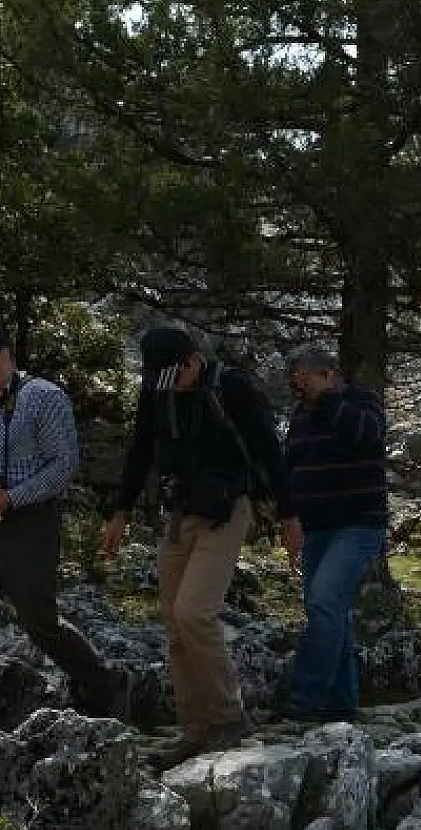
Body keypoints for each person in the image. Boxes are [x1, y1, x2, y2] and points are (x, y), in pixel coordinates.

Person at [101, 326, 300, 768]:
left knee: (195, 611)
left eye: (178, 374)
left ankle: (230, 718)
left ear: (194, 359)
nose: (171, 384)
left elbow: (270, 451)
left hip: (228, 510)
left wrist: (289, 517)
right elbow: (141, 448)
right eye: (162, 377)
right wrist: (122, 511)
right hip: (179, 512)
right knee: (174, 624)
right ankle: (195, 729)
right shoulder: (158, 387)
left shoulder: (233, 388)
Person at [0, 325, 132, 722]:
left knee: (39, 623)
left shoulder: (44, 398)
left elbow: (63, 466)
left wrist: (12, 496)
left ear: (5, 357)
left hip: (28, 525)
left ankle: (104, 684)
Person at [279, 342, 389, 723]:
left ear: (328, 374)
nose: (300, 389)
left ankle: (306, 699)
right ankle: (343, 702)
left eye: (305, 380)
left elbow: (367, 435)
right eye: (296, 382)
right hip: (315, 529)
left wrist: (326, 401)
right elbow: (290, 465)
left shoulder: (361, 402)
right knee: (330, 612)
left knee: (324, 600)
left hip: (358, 524)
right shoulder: (300, 416)